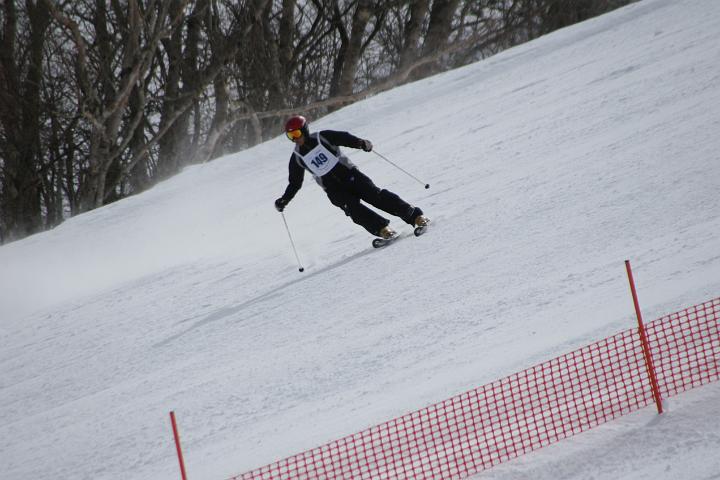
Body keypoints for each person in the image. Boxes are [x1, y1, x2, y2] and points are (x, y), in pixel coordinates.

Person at [274, 115, 428, 239]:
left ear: (304, 130)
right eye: (290, 136)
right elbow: (295, 183)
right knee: (354, 210)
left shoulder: (322, 137)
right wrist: (284, 200)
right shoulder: (297, 157)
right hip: (333, 189)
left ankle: (414, 216)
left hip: (350, 175)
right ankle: (383, 229)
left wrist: (361, 143)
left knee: (375, 195)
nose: (295, 139)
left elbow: (344, 138)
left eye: (296, 134)